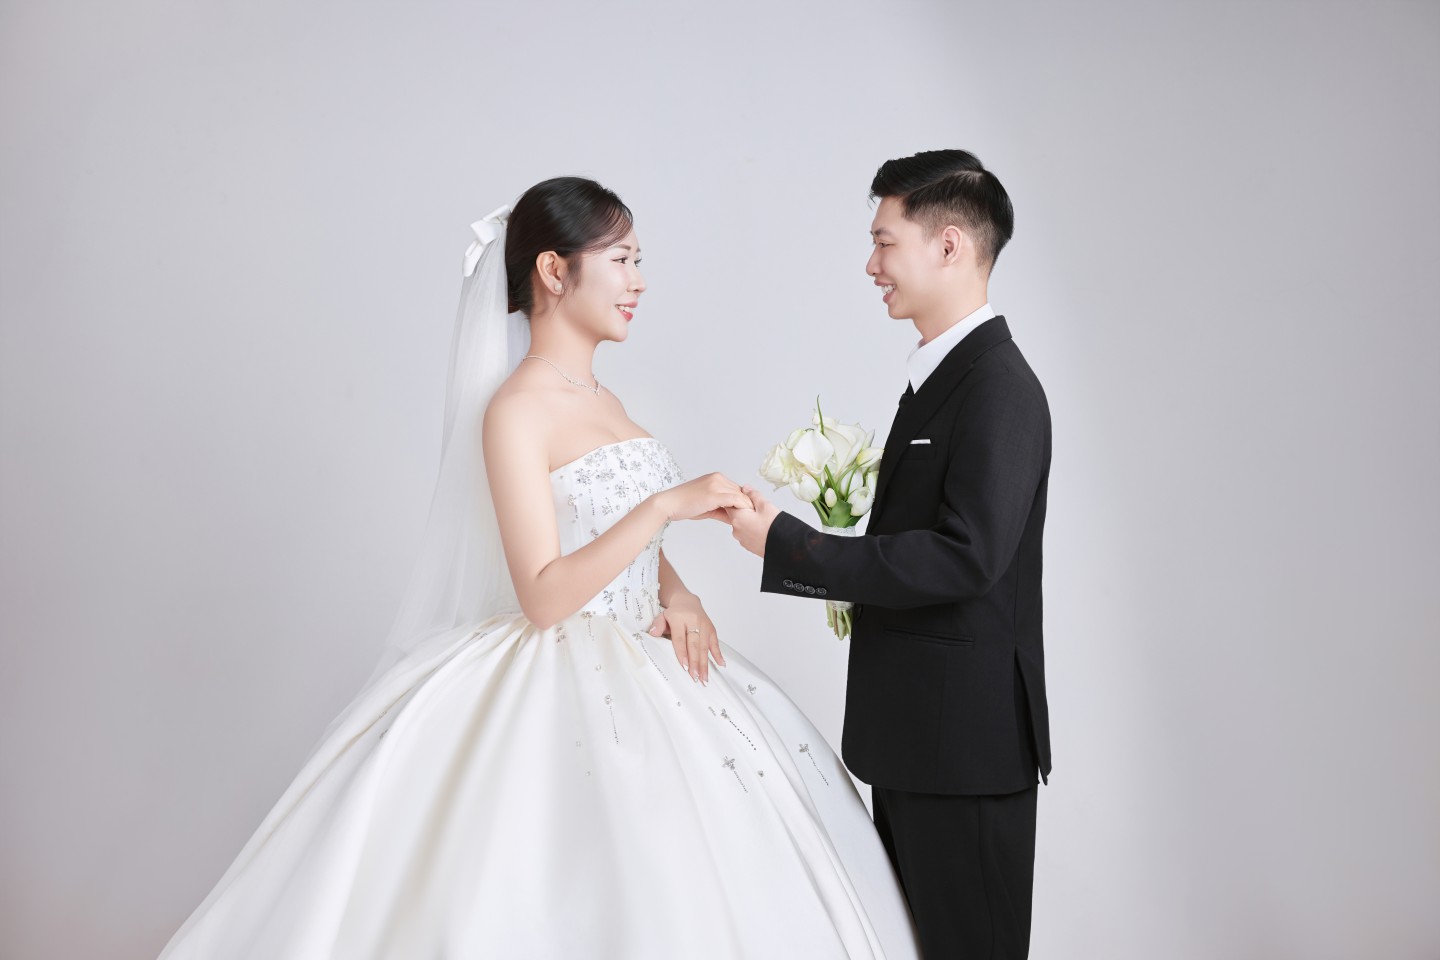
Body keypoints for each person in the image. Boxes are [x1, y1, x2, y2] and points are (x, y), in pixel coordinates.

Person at [156, 176, 918, 959]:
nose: (639, 281)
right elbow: (545, 594)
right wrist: (664, 505)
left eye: (639, 261)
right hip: (565, 663)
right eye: (621, 260)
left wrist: (682, 593)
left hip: (649, 656)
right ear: (555, 271)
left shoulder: (607, 400)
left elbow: (623, 544)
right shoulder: (515, 409)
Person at [729, 150, 1052, 959]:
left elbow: (965, 557)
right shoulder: (940, 379)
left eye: (884, 242)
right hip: (919, 743)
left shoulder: (1000, 388)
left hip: (965, 753)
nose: (871, 266)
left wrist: (795, 546)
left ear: (949, 245)